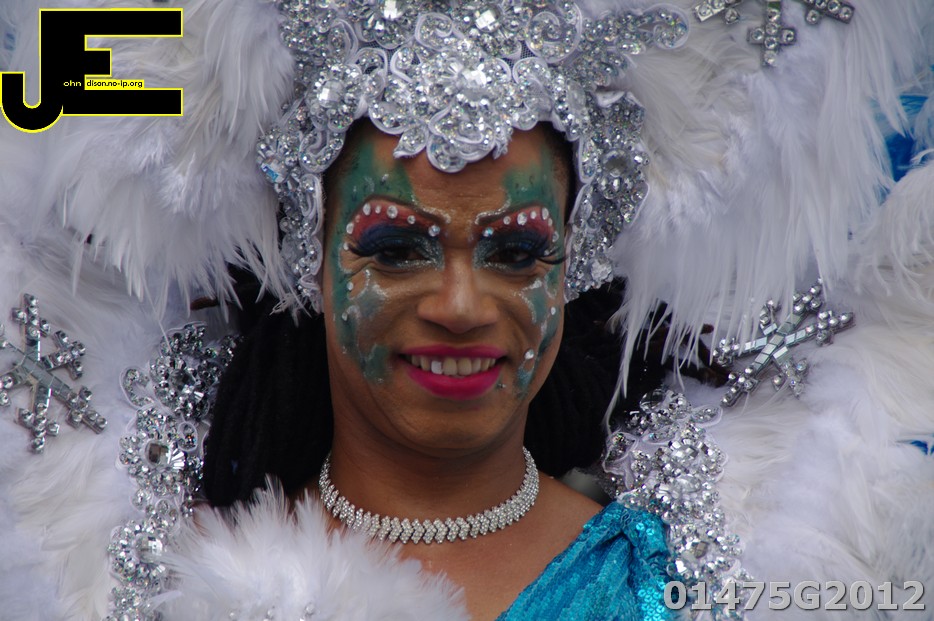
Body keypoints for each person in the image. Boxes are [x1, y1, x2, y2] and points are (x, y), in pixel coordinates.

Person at [1, 0, 933, 619]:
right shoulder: (162, 583)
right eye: (396, 248)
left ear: (570, 269)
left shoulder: (695, 581)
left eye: (515, 252)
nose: (459, 304)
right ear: (313, 262)